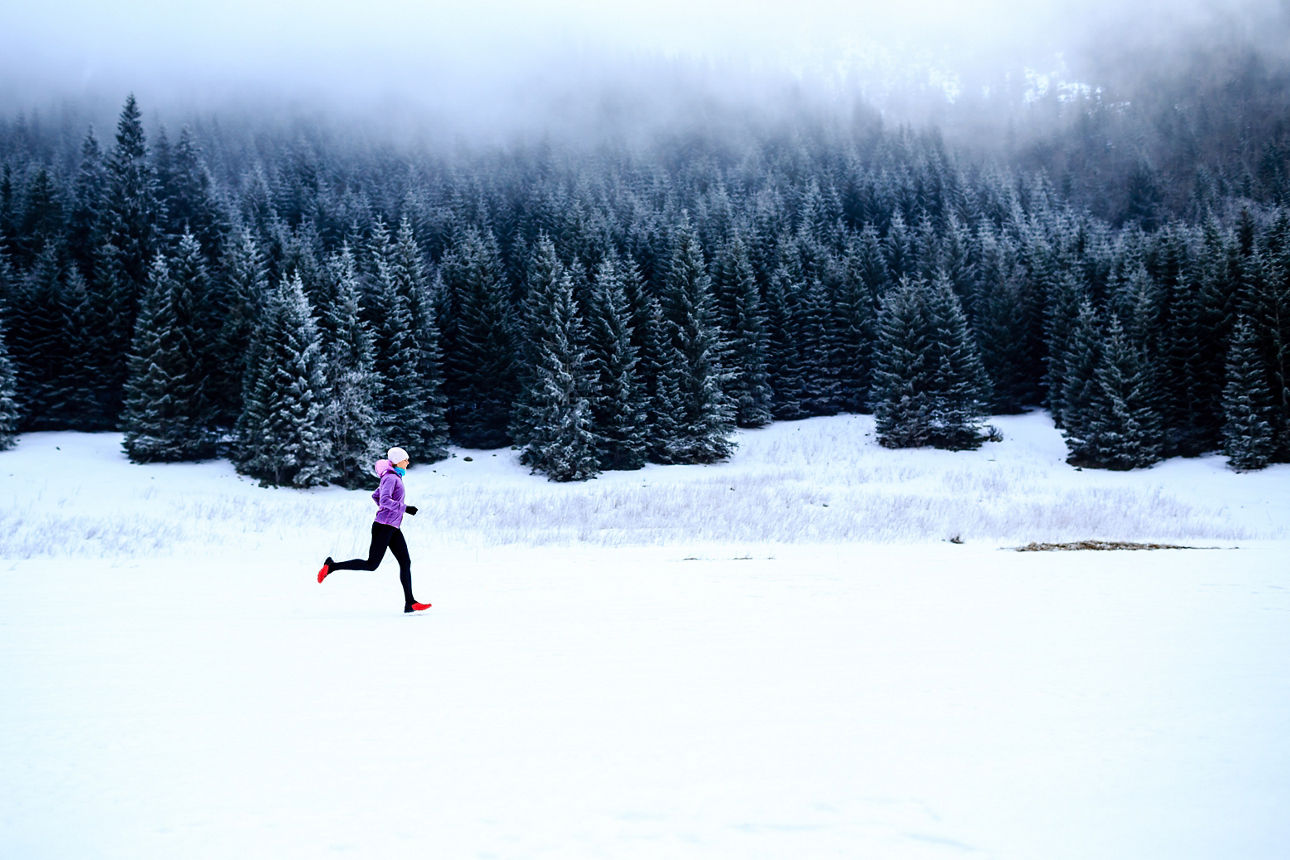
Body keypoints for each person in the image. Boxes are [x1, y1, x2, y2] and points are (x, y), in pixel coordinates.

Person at [317, 446, 431, 614]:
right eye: (405, 459)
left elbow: (376, 496)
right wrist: (404, 508)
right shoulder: (391, 478)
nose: (408, 462)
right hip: (384, 526)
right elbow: (384, 500)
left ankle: (410, 602)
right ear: (397, 461)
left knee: (405, 562)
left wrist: (390, 511)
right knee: (371, 564)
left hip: (392, 527)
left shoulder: (393, 477)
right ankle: (331, 566)